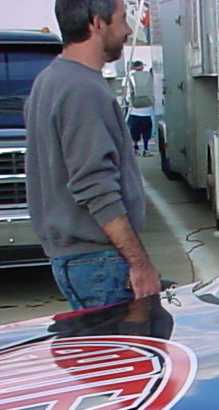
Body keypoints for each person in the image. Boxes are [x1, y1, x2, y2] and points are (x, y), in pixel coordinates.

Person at [25, 0, 160, 310]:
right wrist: (140, 264)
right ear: (97, 23)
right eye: (122, 20)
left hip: (79, 260)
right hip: (100, 262)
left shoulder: (49, 80)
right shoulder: (82, 89)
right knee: (125, 342)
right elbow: (95, 186)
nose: (127, 30)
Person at [125, 60, 155, 156]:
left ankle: (135, 148)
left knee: (134, 132)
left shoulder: (129, 77)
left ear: (133, 67)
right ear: (142, 67)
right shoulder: (149, 77)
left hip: (134, 111)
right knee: (146, 131)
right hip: (147, 111)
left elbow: (127, 95)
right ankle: (146, 149)